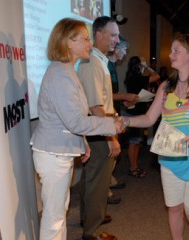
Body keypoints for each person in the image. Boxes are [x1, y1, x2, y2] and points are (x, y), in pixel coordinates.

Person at [122, 34, 189, 240]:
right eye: (171, 50)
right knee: (174, 208)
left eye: (176, 50)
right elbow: (148, 118)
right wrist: (124, 121)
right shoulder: (165, 87)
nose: (170, 55)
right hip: (170, 159)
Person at [30, 18, 123, 240]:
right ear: (68, 42)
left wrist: (81, 143)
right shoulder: (61, 75)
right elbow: (75, 121)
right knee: (54, 218)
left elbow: (73, 118)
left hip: (59, 151)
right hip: (53, 154)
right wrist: (112, 124)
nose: (89, 44)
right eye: (84, 39)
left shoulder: (66, 71)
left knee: (58, 213)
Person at [77, 16, 120, 240]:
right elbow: (95, 106)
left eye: (117, 35)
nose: (117, 39)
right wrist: (110, 138)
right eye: (112, 35)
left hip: (97, 129)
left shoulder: (99, 60)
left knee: (91, 179)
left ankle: (90, 218)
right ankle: (92, 231)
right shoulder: (92, 62)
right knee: (97, 182)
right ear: (99, 35)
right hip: (98, 131)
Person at [106, 36, 138, 204]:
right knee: (109, 154)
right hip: (106, 117)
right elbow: (102, 96)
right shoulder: (104, 64)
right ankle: (105, 191)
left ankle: (109, 182)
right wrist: (124, 96)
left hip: (113, 113)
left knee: (112, 154)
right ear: (116, 48)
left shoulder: (110, 65)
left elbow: (111, 95)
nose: (125, 53)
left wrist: (122, 100)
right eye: (124, 49)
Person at [124, 56, 160, 178]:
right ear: (139, 65)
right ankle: (133, 168)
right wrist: (148, 67)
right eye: (142, 63)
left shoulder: (130, 76)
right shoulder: (138, 78)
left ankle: (134, 166)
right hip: (136, 112)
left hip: (134, 111)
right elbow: (156, 76)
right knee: (134, 142)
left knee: (136, 142)